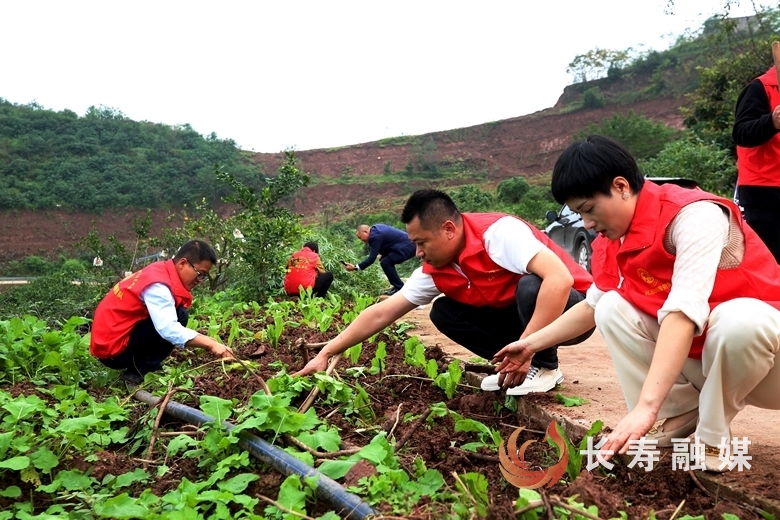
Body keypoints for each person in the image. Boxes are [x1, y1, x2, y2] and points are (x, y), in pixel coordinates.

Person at [492, 135, 780, 472]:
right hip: (709, 364)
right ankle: (677, 416)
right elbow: (591, 307)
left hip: (767, 368)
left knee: (738, 321)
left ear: (621, 186)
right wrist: (529, 345)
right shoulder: (614, 242)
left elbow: (683, 314)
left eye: (588, 209)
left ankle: (712, 434)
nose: (587, 223)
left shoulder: (694, 216)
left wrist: (646, 405)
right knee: (612, 307)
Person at [296, 189, 595, 396]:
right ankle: (515, 367)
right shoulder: (435, 269)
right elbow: (381, 313)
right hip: (524, 319)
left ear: (449, 229)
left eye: (422, 242)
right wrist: (327, 352)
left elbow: (559, 279)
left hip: (575, 311)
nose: (417, 252)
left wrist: (528, 346)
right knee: (444, 312)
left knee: (533, 284)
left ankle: (544, 366)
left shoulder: (498, 233)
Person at [90, 240, 235, 384]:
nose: (200, 280)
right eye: (200, 274)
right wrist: (211, 344)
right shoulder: (158, 287)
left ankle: (144, 363)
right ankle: (137, 370)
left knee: (178, 312)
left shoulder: (160, 270)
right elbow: (168, 329)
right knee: (180, 316)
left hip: (110, 340)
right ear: (183, 263)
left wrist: (210, 341)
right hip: (113, 351)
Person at [733, 64, 780, 263]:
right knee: (770, 260)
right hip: (764, 190)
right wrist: (771, 122)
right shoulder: (760, 88)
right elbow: (741, 132)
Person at [343, 224, 416, 296]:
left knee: (385, 262)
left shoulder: (374, 237)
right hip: (407, 245)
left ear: (365, 232)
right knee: (385, 261)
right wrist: (384, 254)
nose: (361, 240)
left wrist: (355, 267)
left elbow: (371, 259)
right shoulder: (376, 229)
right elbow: (389, 242)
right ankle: (397, 286)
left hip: (407, 247)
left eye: (360, 237)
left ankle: (399, 287)